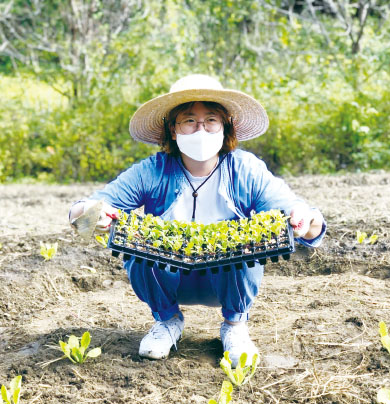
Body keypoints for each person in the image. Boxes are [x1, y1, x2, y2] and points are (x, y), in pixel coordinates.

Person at [69, 74, 326, 367]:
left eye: (211, 120)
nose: (201, 129)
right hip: (168, 276)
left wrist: (307, 221)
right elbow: (91, 205)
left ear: (225, 125)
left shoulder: (245, 169)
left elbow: (294, 209)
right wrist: (90, 214)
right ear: (173, 130)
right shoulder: (154, 170)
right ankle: (167, 321)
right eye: (189, 120)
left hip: (227, 280)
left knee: (242, 243)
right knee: (137, 239)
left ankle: (234, 326)